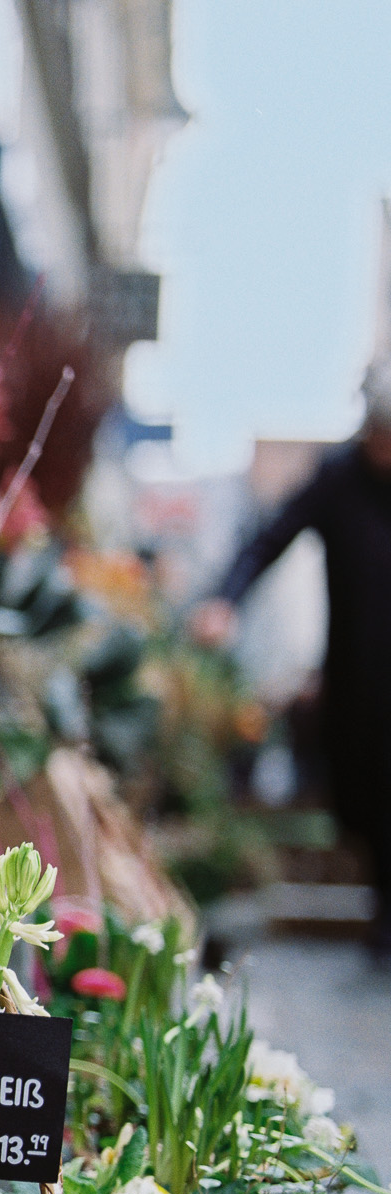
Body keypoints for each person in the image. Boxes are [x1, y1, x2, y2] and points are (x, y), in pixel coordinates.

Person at [191, 355, 391, 959]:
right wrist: (225, 600)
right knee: (356, 794)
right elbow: (269, 538)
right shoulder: (339, 479)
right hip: (355, 675)